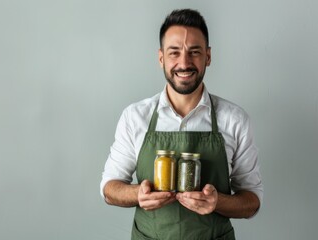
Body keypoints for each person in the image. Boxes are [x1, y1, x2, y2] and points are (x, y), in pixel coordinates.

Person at [100, 9, 263, 240]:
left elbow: (252, 201)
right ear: (161, 58)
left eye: (194, 52)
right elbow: (109, 189)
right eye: (174, 52)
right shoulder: (135, 117)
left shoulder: (234, 119)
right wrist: (139, 194)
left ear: (208, 56)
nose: (184, 63)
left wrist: (218, 201)